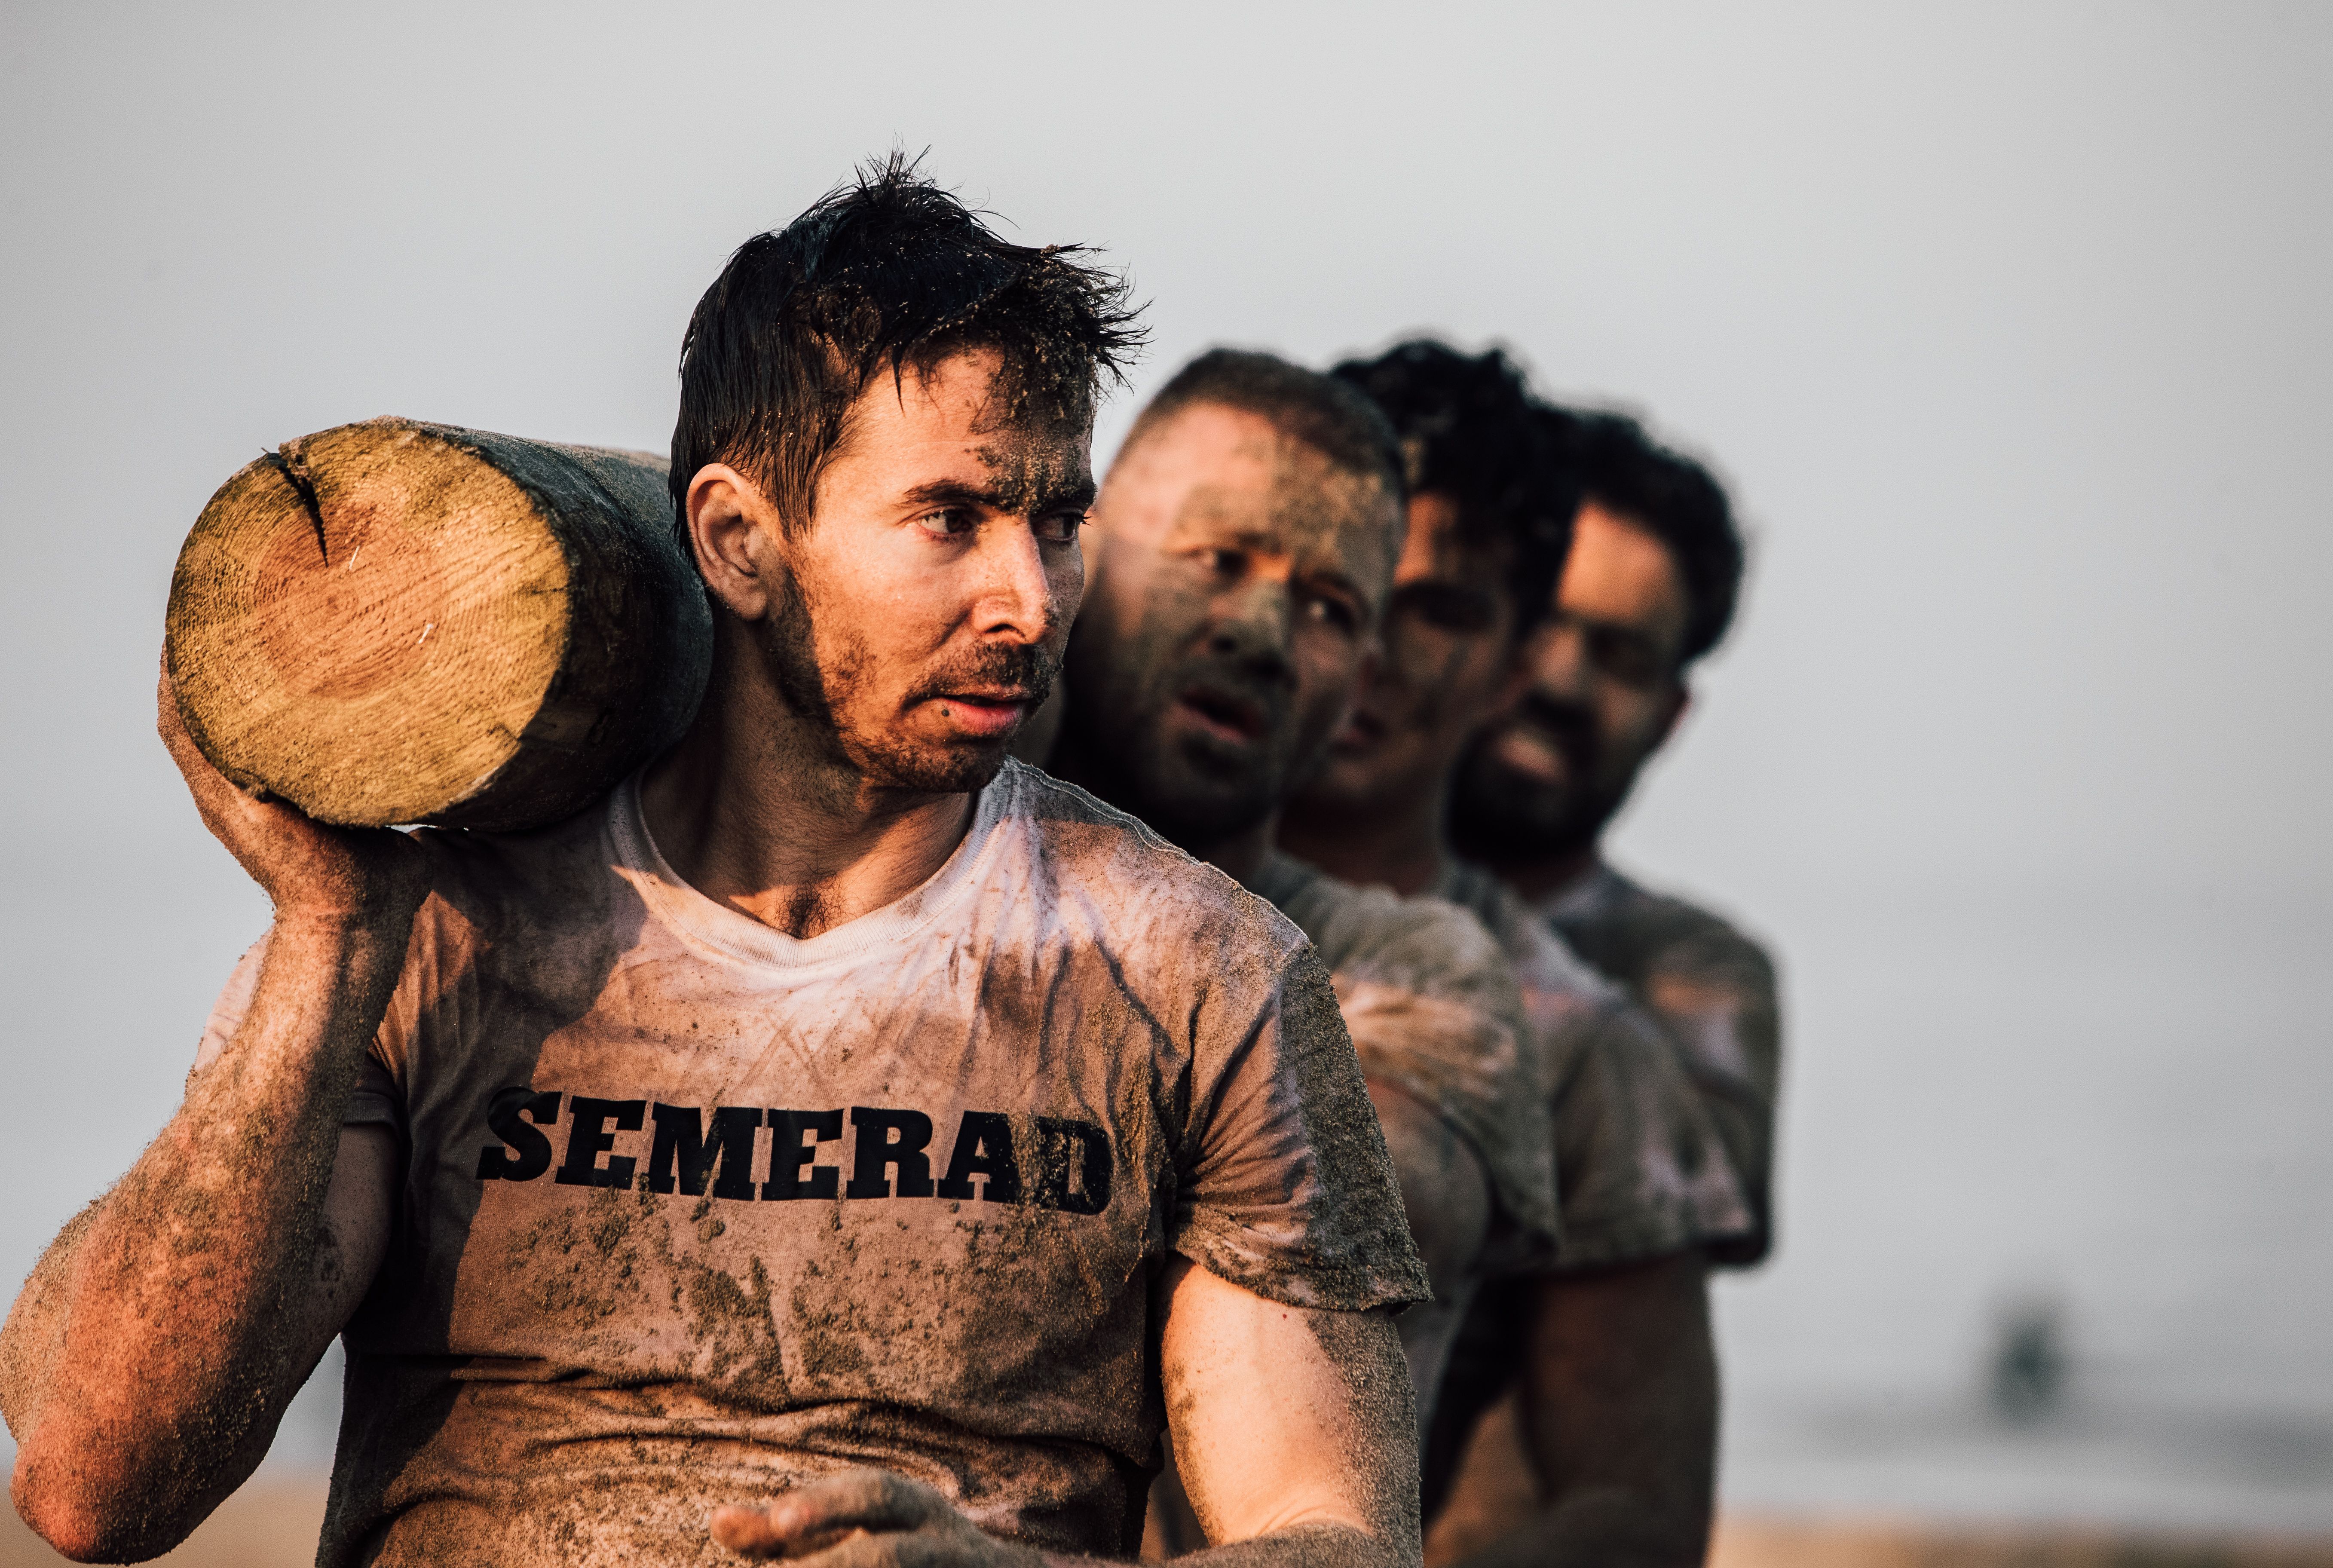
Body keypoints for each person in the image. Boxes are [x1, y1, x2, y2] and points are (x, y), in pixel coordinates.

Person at [0, 160, 1431, 1568]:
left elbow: (1339, 1536)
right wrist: (323, 936)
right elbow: (94, 1483)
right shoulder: (433, 939)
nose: (1031, 597)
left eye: (1056, 522)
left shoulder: (1199, 975)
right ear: (741, 543)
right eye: (954, 518)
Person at [1044, 348, 1556, 1478]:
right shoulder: (903, 880)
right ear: (1080, 549)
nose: (1265, 635)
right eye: (1217, 559)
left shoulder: (1416, 979)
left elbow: (1312, 1212)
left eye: (1328, 608)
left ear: (1365, 668)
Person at [1279, 341, 1748, 1568]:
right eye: (1341, 582)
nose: (1370, 641)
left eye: (1439, 607)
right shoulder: (1057, 858)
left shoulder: (1599, 1026)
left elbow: (1634, 1506)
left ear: (1504, 650)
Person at [1451, 406, 1779, 1268]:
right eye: (1542, 625)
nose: (1560, 681)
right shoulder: (1277, 873)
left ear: (1670, 718)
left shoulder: (1692, 967)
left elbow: (1709, 1189)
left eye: (1622, 658)